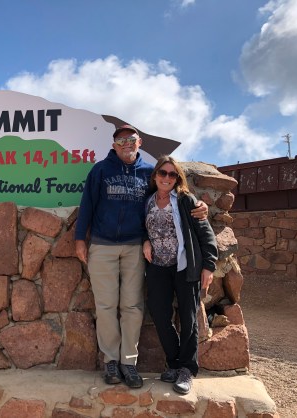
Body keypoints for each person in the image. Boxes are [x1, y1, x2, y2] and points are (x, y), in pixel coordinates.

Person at [75, 125, 207, 387]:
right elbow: (87, 204)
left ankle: (129, 363)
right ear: (114, 145)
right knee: (106, 306)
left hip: (135, 247)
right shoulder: (100, 170)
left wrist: (200, 205)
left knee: (133, 306)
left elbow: (169, 194)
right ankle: (111, 361)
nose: (126, 143)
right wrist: (80, 239)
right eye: (121, 140)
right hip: (102, 245)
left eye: (131, 139)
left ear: (139, 142)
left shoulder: (149, 173)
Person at [143, 155, 218, 395]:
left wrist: (209, 266)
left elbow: (206, 233)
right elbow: (141, 226)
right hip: (157, 267)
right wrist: (145, 240)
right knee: (159, 314)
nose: (166, 178)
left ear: (177, 178)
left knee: (188, 318)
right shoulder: (148, 201)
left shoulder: (186, 200)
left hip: (185, 267)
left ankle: (187, 369)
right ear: (155, 175)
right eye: (162, 173)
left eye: (172, 174)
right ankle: (174, 363)